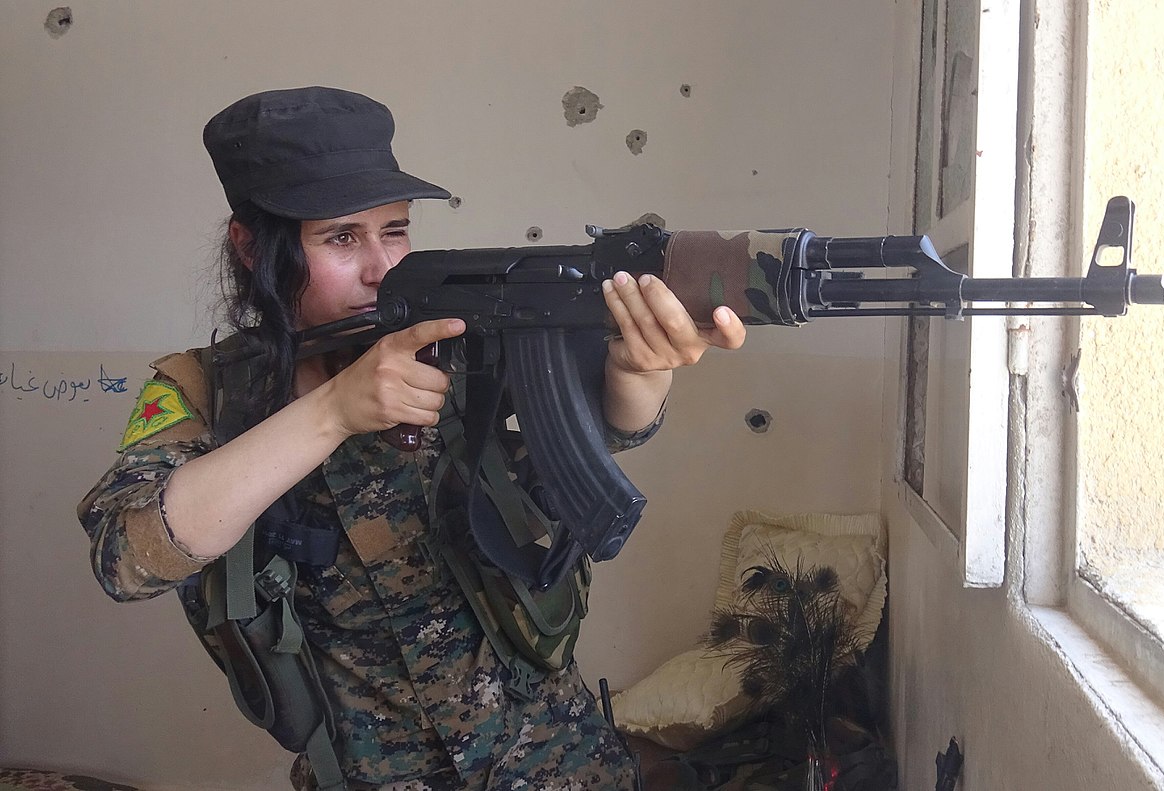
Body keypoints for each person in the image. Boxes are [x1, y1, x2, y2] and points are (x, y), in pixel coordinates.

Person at [77, 86, 746, 790]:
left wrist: (641, 368)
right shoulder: (199, 390)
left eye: (393, 229)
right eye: (341, 237)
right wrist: (334, 409)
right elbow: (125, 555)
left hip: (559, 760)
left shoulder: (454, 338)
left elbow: (605, 426)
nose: (380, 266)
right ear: (251, 247)